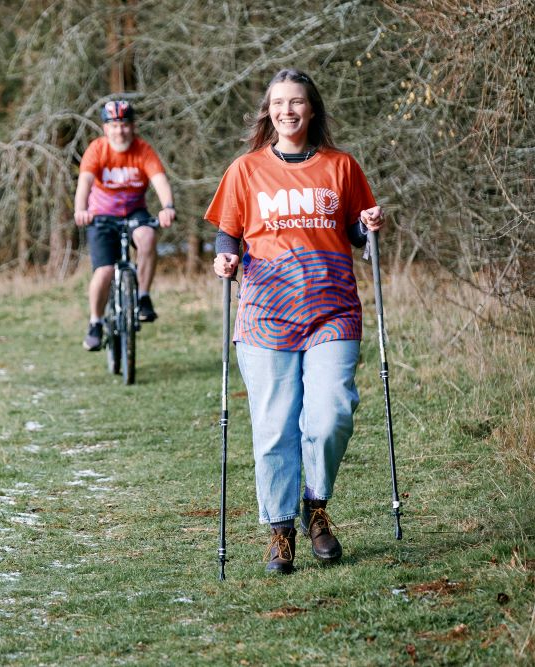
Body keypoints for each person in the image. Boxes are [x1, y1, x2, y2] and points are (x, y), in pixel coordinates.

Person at [204, 69, 384, 574]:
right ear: (268, 112)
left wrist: (369, 225)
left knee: (331, 414)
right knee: (275, 425)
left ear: (312, 110)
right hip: (266, 315)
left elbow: (355, 230)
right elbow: (228, 233)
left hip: (333, 311)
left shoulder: (341, 166)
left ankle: (316, 505)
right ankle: (281, 531)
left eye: (297, 102)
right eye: (279, 102)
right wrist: (226, 259)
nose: (287, 110)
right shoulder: (246, 169)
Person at [74, 100, 176, 351]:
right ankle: (96, 322)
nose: (120, 131)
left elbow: (159, 180)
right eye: (114, 125)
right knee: (104, 272)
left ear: (133, 127)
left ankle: (143, 297)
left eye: (125, 125)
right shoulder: (97, 150)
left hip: (134, 212)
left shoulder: (143, 150)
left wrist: (168, 207)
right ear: (105, 128)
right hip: (101, 216)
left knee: (147, 237)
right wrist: (81, 210)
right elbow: (84, 183)